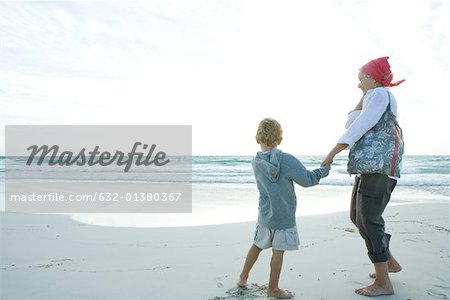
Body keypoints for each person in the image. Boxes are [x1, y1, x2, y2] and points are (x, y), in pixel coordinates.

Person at [321, 56, 405, 297]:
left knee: (368, 218)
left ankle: (383, 283)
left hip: (379, 166)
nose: (358, 85)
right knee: (357, 216)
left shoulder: (379, 95)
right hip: (369, 166)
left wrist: (332, 152)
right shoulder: (374, 96)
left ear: (372, 78)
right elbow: (352, 119)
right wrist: (366, 88)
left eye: (361, 79)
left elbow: (358, 126)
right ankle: (388, 262)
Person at [238, 118, 329, 299]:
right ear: (279, 139)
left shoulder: (256, 162)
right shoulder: (286, 160)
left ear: (258, 139)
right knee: (278, 251)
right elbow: (307, 180)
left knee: (257, 245)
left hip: (265, 214)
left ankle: (243, 278)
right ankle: (273, 288)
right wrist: (323, 171)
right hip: (284, 216)